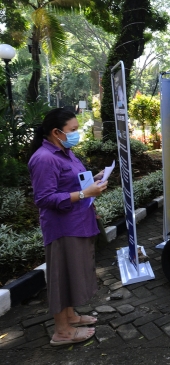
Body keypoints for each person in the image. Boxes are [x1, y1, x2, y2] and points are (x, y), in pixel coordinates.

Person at [28, 108, 108, 346]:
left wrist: (93, 181)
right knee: (61, 276)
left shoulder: (65, 152)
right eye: (73, 130)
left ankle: (70, 316)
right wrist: (84, 193)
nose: (76, 134)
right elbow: (44, 199)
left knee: (73, 272)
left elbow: (70, 183)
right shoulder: (44, 159)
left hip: (78, 222)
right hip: (63, 227)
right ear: (56, 132)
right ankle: (61, 331)